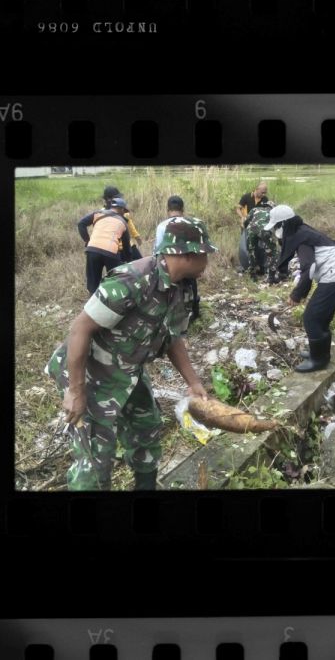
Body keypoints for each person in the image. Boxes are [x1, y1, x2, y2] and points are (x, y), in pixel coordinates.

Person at [45, 217, 217, 491]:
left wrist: (193, 382)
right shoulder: (132, 281)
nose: (208, 259)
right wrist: (76, 391)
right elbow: (79, 329)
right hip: (91, 373)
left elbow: (173, 338)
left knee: (147, 430)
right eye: (204, 253)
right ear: (184, 254)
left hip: (128, 369)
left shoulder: (181, 288)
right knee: (95, 460)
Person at [265, 205, 335, 373]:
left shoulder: (300, 238)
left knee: (311, 318)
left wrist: (297, 294)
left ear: (283, 225)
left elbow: (309, 268)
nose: (275, 232)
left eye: (276, 227)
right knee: (321, 318)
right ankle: (321, 354)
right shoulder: (301, 231)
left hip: (334, 277)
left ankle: (318, 360)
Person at [154, 195, 201, 324]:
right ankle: (194, 313)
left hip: (169, 266)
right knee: (191, 285)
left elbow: (157, 250)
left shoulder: (162, 226)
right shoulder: (191, 224)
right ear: (183, 209)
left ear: (168, 209)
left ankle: (170, 317)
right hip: (188, 262)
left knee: (168, 291)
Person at [77, 196, 131, 295]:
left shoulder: (97, 214)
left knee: (93, 283)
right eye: (124, 211)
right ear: (121, 209)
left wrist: (87, 241)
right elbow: (127, 247)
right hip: (111, 254)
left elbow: (81, 224)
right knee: (115, 281)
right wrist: (126, 260)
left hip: (92, 250)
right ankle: (113, 302)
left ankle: (93, 303)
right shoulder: (123, 223)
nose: (124, 213)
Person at [102, 186, 142, 261]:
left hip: (112, 249)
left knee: (119, 271)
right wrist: (137, 238)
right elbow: (131, 227)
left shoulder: (101, 213)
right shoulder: (122, 210)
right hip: (126, 247)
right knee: (140, 264)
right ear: (108, 199)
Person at [245, 200, 279, 284]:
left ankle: (252, 276)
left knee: (251, 252)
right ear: (272, 207)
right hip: (264, 231)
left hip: (251, 230)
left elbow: (246, 221)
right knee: (273, 252)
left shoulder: (254, 209)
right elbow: (276, 227)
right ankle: (271, 276)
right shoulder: (273, 212)